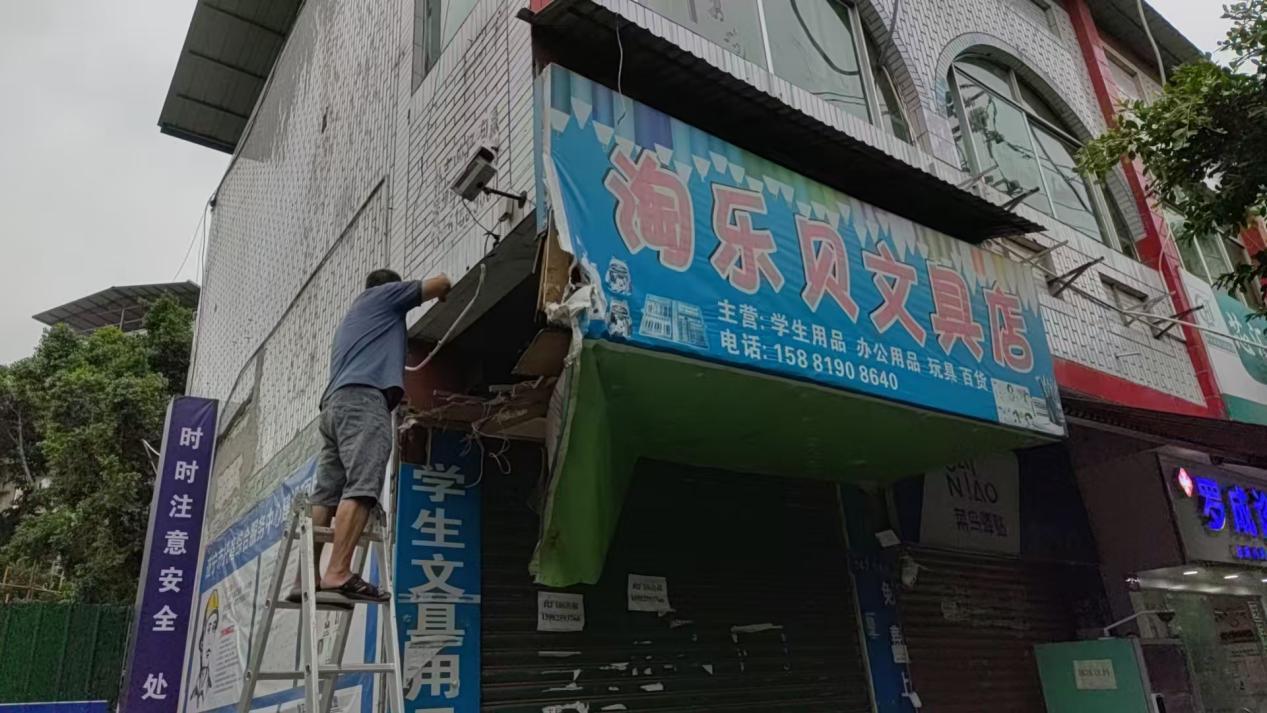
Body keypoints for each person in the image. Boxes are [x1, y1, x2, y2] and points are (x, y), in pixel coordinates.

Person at [301, 268, 451, 602]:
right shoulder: (382, 297)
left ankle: (305, 579)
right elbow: (440, 282)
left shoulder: (354, 319)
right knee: (363, 485)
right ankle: (338, 572)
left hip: (335, 407)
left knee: (326, 494)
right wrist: (443, 292)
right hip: (363, 403)